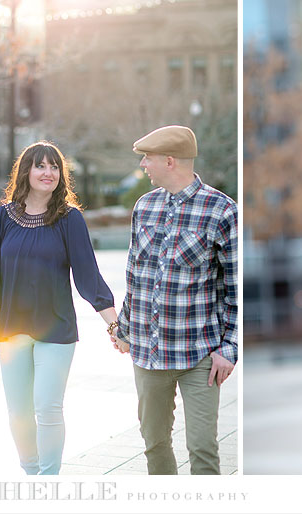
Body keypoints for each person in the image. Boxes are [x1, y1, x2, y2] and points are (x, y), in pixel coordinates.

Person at [0, 140, 119, 475]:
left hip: (55, 330)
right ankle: (31, 474)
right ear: (25, 171)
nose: (48, 172)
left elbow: (88, 277)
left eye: (55, 167)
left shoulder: (69, 219)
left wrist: (114, 324)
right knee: (18, 411)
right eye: (41, 165)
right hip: (11, 330)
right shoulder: (3, 218)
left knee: (48, 408)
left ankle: (48, 483)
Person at [111, 125, 238, 475]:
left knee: (203, 450)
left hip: (199, 355)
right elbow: (136, 276)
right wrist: (123, 327)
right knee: (154, 445)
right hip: (148, 354)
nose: (143, 166)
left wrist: (230, 347)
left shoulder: (222, 210)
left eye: (147, 159)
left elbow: (235, 288)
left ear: (169, 161)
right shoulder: (144, 207)